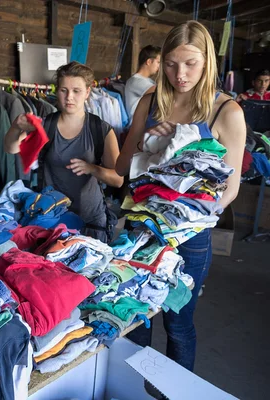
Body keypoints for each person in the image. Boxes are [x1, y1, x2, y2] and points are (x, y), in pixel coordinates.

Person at [116, 21, 246, 372]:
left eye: (190, 63)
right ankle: (130, 391)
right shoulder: (151, 99)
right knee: (134, 316)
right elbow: (121, 165)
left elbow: (230, 189)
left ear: (207, 62)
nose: (180, 74)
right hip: (141, 228)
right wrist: (148, 141)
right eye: (171, 63)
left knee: (178, 322)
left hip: (190, 238)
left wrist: (185, 219)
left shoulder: (227, 112)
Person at [4, 62, 124, 243]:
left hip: (90, 220)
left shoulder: (100, 129)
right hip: (52, 218)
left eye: (76, 91)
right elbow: (11, 148)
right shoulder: (46, 125)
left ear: (87, 92)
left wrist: (91, 168)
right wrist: (16, 127)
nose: (69, 97)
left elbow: (117, 179)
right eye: (63, 90)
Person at [125, 45, 162, 123]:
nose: (160, 66)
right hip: (138, 126)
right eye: (158, 62)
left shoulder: (147, 81)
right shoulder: (135, 81)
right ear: (149, 62)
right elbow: (162, 94)